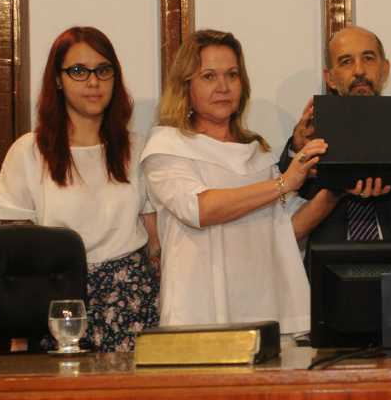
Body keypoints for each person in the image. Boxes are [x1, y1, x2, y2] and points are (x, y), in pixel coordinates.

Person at [141, 29, 343, 332]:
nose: (223, 87)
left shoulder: (256, 151)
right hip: (200, 311)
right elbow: (200, 209)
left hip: (266, 305)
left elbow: (289, 227)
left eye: (232, 75)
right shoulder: (166, 145)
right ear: (186, 86)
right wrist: (285, 182)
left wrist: (338, 186)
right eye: (209, 76)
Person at [0, 27, 160, 352]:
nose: (93, 82)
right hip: (58, 308)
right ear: (57, 79)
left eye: (103, 70)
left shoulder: (136, 148)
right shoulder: (29, 152)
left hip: (134, 303)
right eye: (79, 71)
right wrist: (20, 341)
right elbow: (16, 257)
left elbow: (154, 241)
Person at [279, 26, 391, 244]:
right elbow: (283, 216)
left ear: (385, 70)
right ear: (330, 78)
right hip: (331, 261)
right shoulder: (311, 139)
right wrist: (296, 150)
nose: (359, 70)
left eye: (368, 58)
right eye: (346, 61)